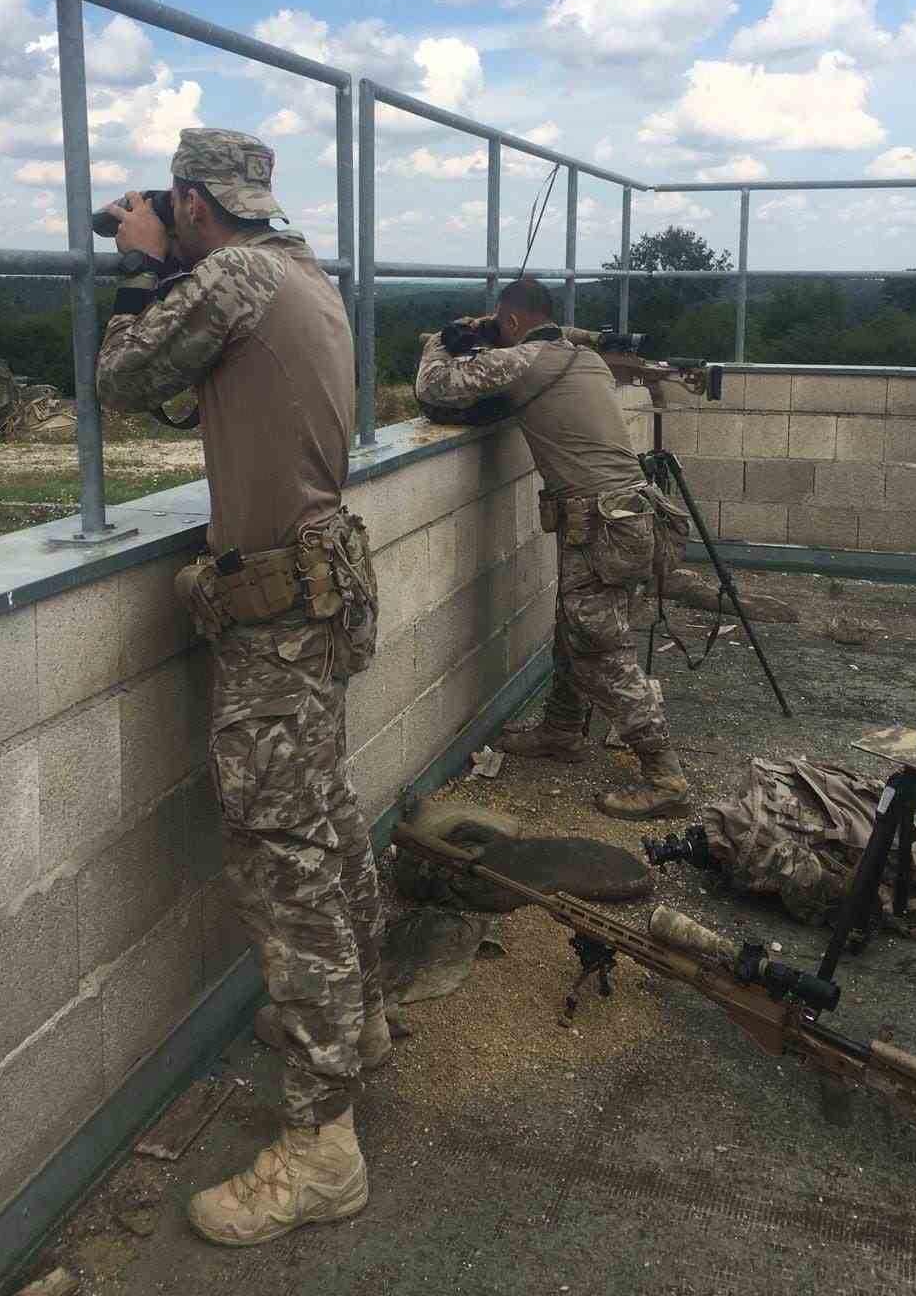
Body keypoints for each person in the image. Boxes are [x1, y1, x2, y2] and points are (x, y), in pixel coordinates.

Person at [97, 129, 388, 1248]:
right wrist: (180, 264)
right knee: (325, 821)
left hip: (276, 614)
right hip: (313, 597)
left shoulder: (231, 272)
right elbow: (206, 392)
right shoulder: (306, 272)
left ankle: (321, 1148)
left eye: (170, 212)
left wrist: (139, 261)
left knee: (285, 863)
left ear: (188, 200)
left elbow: (123, 377)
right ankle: (357, 1025)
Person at [414, 276, 689, 820]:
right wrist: (496, 330)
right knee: (576, 631)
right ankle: (562, 731)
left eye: (503, 324)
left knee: (602, 653)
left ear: (512, 322)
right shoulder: (583, 358)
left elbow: (433, 389)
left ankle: (665, 776)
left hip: (602, 526)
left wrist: (442, 341)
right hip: (630, 518)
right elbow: (542, 341)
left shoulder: (524, 360)